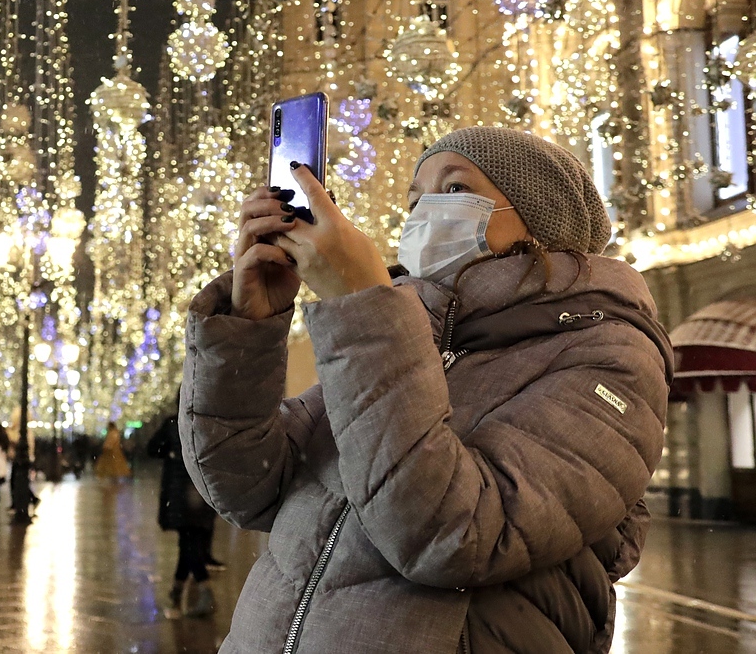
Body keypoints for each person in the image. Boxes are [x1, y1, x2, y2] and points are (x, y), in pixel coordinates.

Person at [180, 127, 672, 652]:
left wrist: (365, 307)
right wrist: (247, 330)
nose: (423, 212)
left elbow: (453, 536)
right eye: (416, 199)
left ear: (542, 220)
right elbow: (245, 486)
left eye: (455, 190)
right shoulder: (408, 335)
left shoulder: (609, 353)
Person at [148, 403, 216, 618]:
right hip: (202, 492)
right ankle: (176, 593)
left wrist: (169, 452)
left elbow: (152, 449)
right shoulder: (209, 421)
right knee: (189, 543)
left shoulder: (173, 423)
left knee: (188, 543)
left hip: (179, 494)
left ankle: (205, 591)